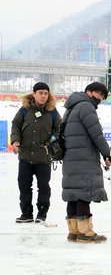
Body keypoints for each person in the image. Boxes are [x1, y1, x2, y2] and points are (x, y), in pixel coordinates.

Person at [62, 82, 111, 243]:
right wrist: (106, 153)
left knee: (73, 194)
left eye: (103, 96)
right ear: (89, 92)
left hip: (70, 158)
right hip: (84, 157)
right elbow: (96, 134)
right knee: (84, 193)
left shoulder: (71, 107)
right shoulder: (86, 107)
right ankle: (85, 233)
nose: (100, 98)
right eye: (99, 94)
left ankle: (74, 231)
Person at [10, 82, 62, 223]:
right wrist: (15, 141)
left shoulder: (52, 112)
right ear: (34, 94)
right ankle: (26, 214)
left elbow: (59, 129)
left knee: (44, 187)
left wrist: (51, 140)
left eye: (46, 93)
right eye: (40, 93)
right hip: (25, 156)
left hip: (44, 158)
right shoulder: (24, 110)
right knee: (24, 186)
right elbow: (16, 125)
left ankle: (42, 214)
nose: (44, 96)